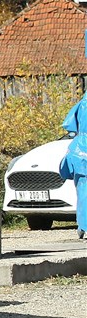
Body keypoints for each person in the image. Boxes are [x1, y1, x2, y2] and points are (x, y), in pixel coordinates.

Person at [60, 93, 87, 238]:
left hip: (79, 152)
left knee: (83, 192)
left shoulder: (81, 104)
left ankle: (83, 226)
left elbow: (69, 124)